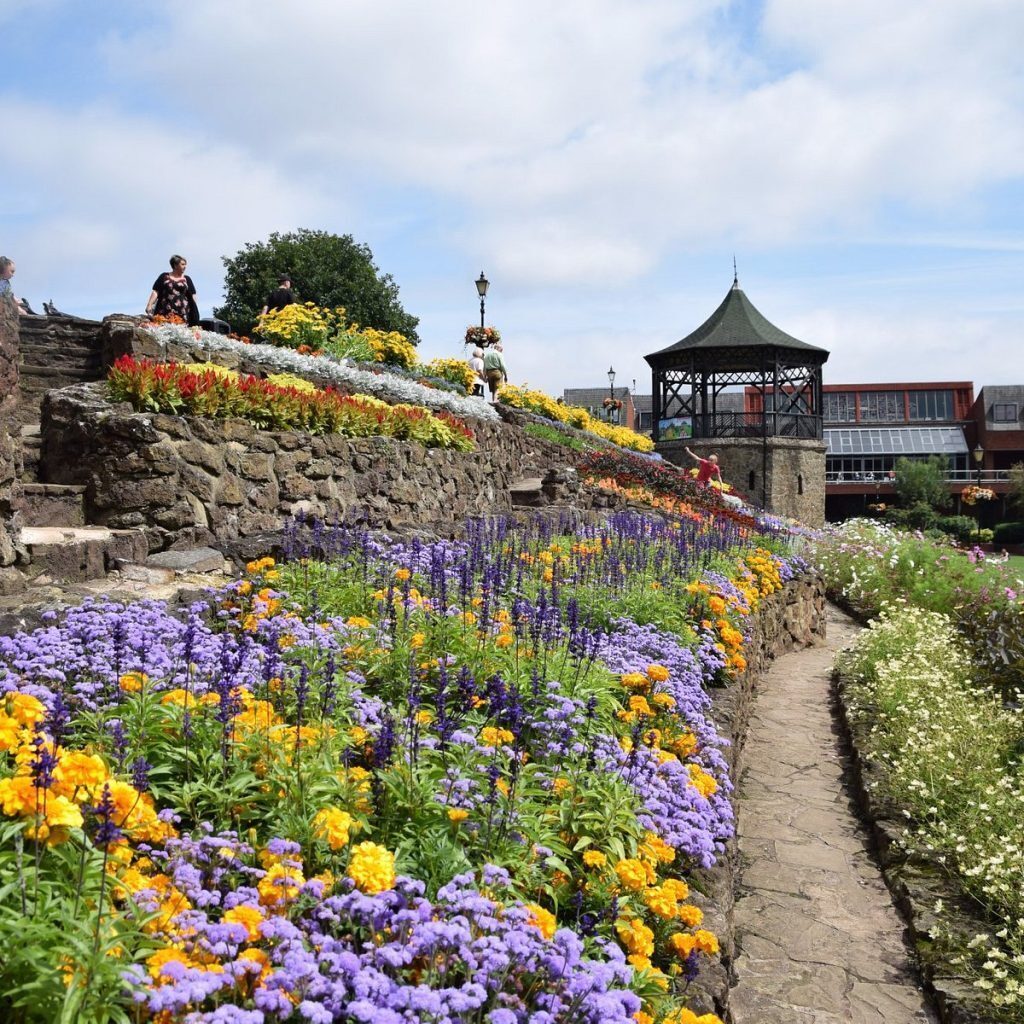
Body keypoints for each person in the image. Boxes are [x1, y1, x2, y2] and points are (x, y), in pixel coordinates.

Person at [145, 255, 199, 325]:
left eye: (185, 264)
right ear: (175, 265)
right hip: (164, 312)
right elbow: (156, 291)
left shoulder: (187, 279)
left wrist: (194, 310)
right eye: (182, 264)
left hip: (183, 313)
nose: (185, 266)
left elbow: (193, 295)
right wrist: (149, 305)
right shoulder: (164, 276)